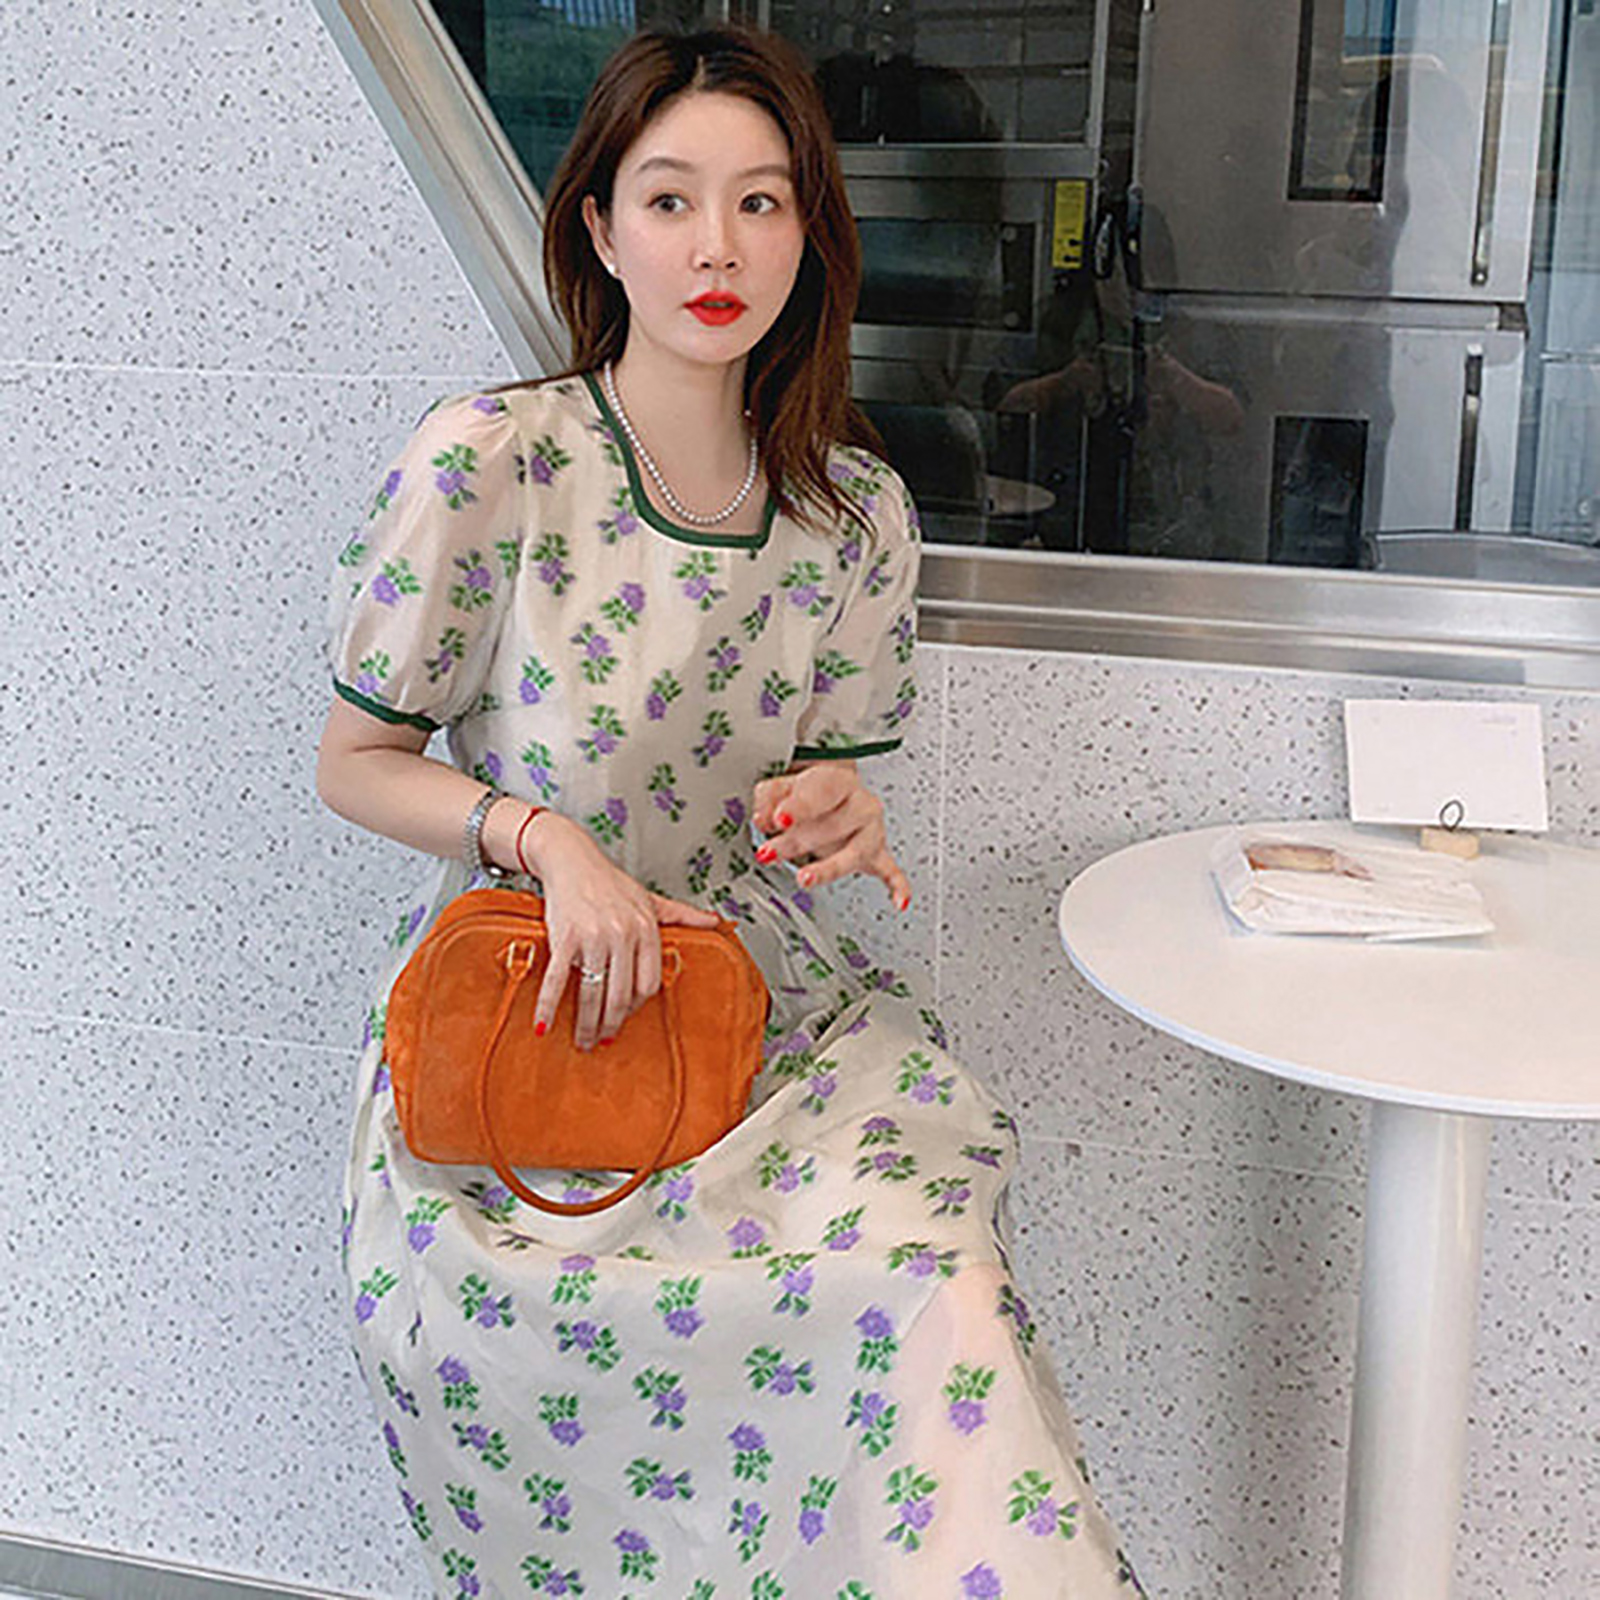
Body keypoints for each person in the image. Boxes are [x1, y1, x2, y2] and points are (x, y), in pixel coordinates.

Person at [317, 24, 1149, 1598]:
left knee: (938, 1297)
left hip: (760, 1018)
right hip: (530, 1020)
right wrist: (549, 842)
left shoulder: (853, 509)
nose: (718, 247)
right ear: (598, 227)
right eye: (671, 199)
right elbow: (354, 760)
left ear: (809, 235)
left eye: (762, 202)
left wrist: (837, 813)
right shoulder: (492, 461)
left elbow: (809, 788)